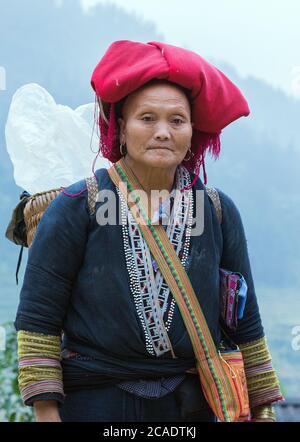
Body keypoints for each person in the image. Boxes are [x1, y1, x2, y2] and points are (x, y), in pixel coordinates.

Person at [14, 40, 283, 422]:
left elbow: (246, 321)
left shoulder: (217, 210)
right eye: (147, 118)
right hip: (95, 403)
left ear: (192, 132)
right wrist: (47, 414)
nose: (162, 132)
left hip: (190, 406)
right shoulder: (79, 205)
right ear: (122, 129)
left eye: (176, 120)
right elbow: (39, 319)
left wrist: (265, 409)